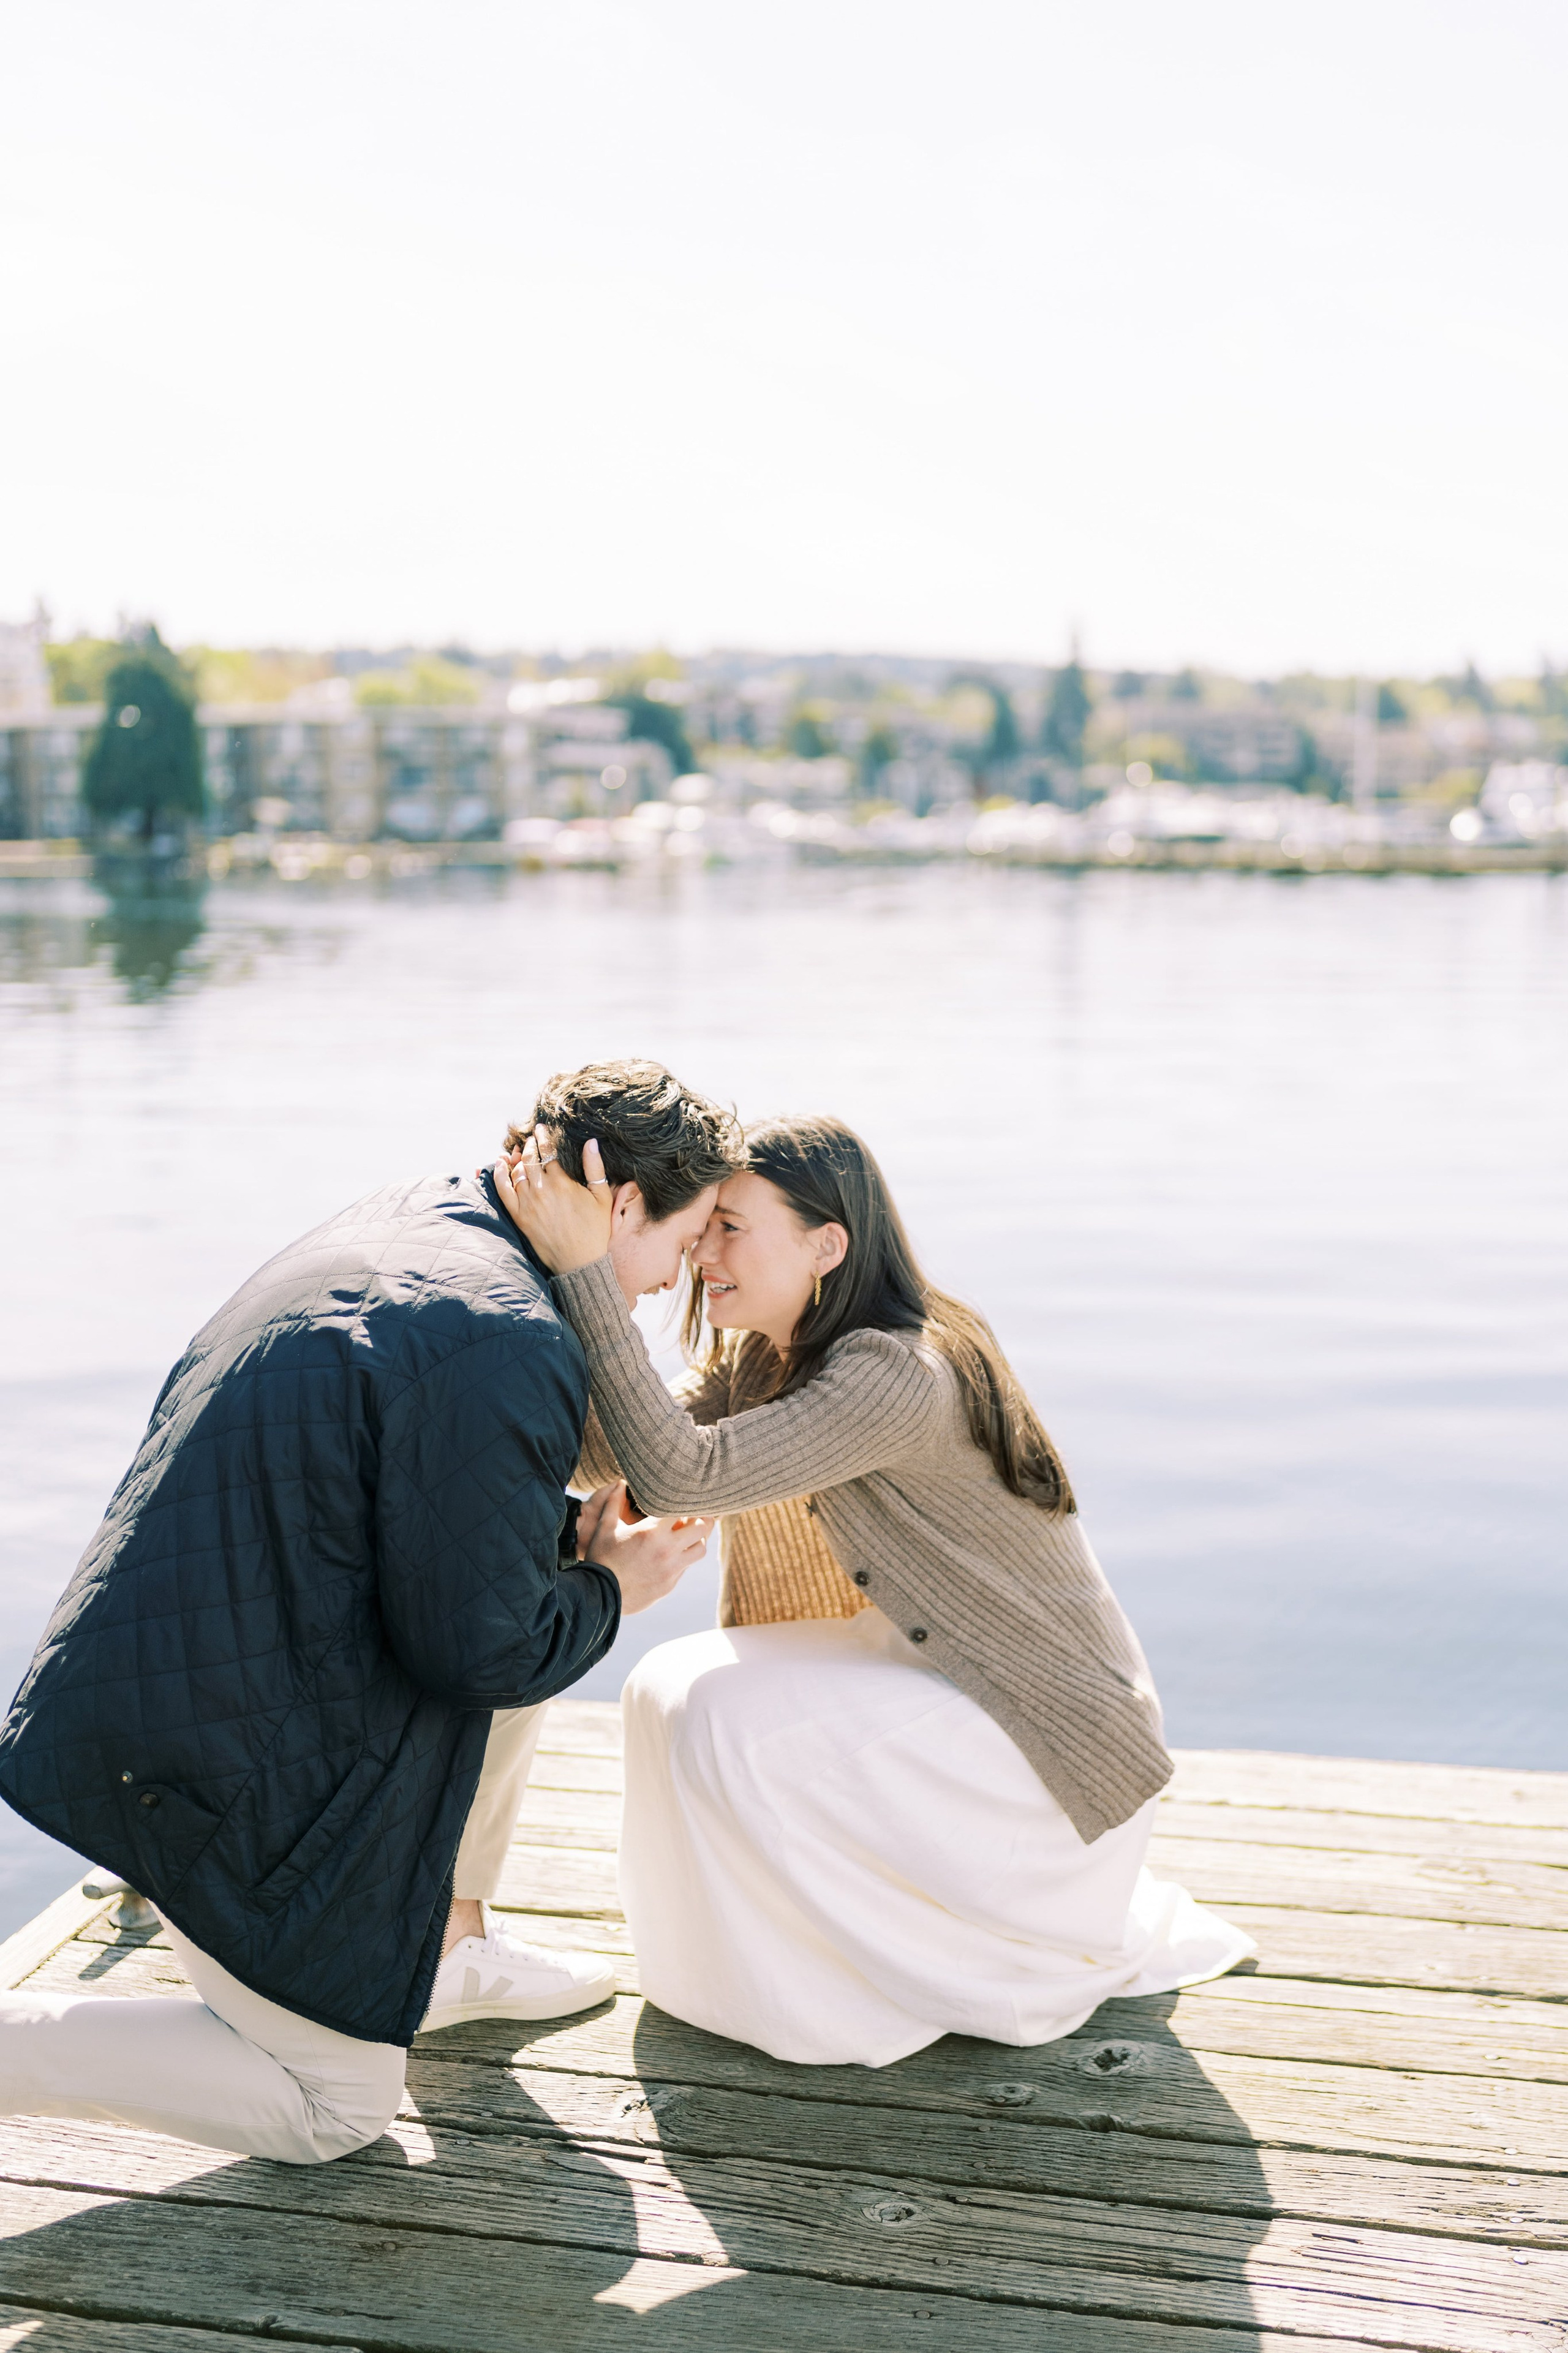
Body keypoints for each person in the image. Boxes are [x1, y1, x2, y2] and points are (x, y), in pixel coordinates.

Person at [0, 1059, 738, 2162]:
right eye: (678, 1251)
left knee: (542, 1591)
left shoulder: (416, 1221)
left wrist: (566, 1554)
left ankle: (440, 1950)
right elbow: (480, 1654)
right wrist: (615, 1586)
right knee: (337, 2103)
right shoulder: (509, 1337)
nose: (657, 1287)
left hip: (155, 1685)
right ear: (620, 1204)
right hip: (208, 1766)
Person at [497, 1112, 1254, 2068]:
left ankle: (823, 1998)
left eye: (732, 1226)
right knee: (667, 1685)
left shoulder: (894, 1371)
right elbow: (619, 1455)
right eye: (703, 1227)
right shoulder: (768, 1354)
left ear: (828, 1243)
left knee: (722, 1715)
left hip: (1034, 1736)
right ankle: (741, 1981)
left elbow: (681, 1473)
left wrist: (585, 1282)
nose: (702, 1251)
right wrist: (583, 1267)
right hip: (938, 1672)